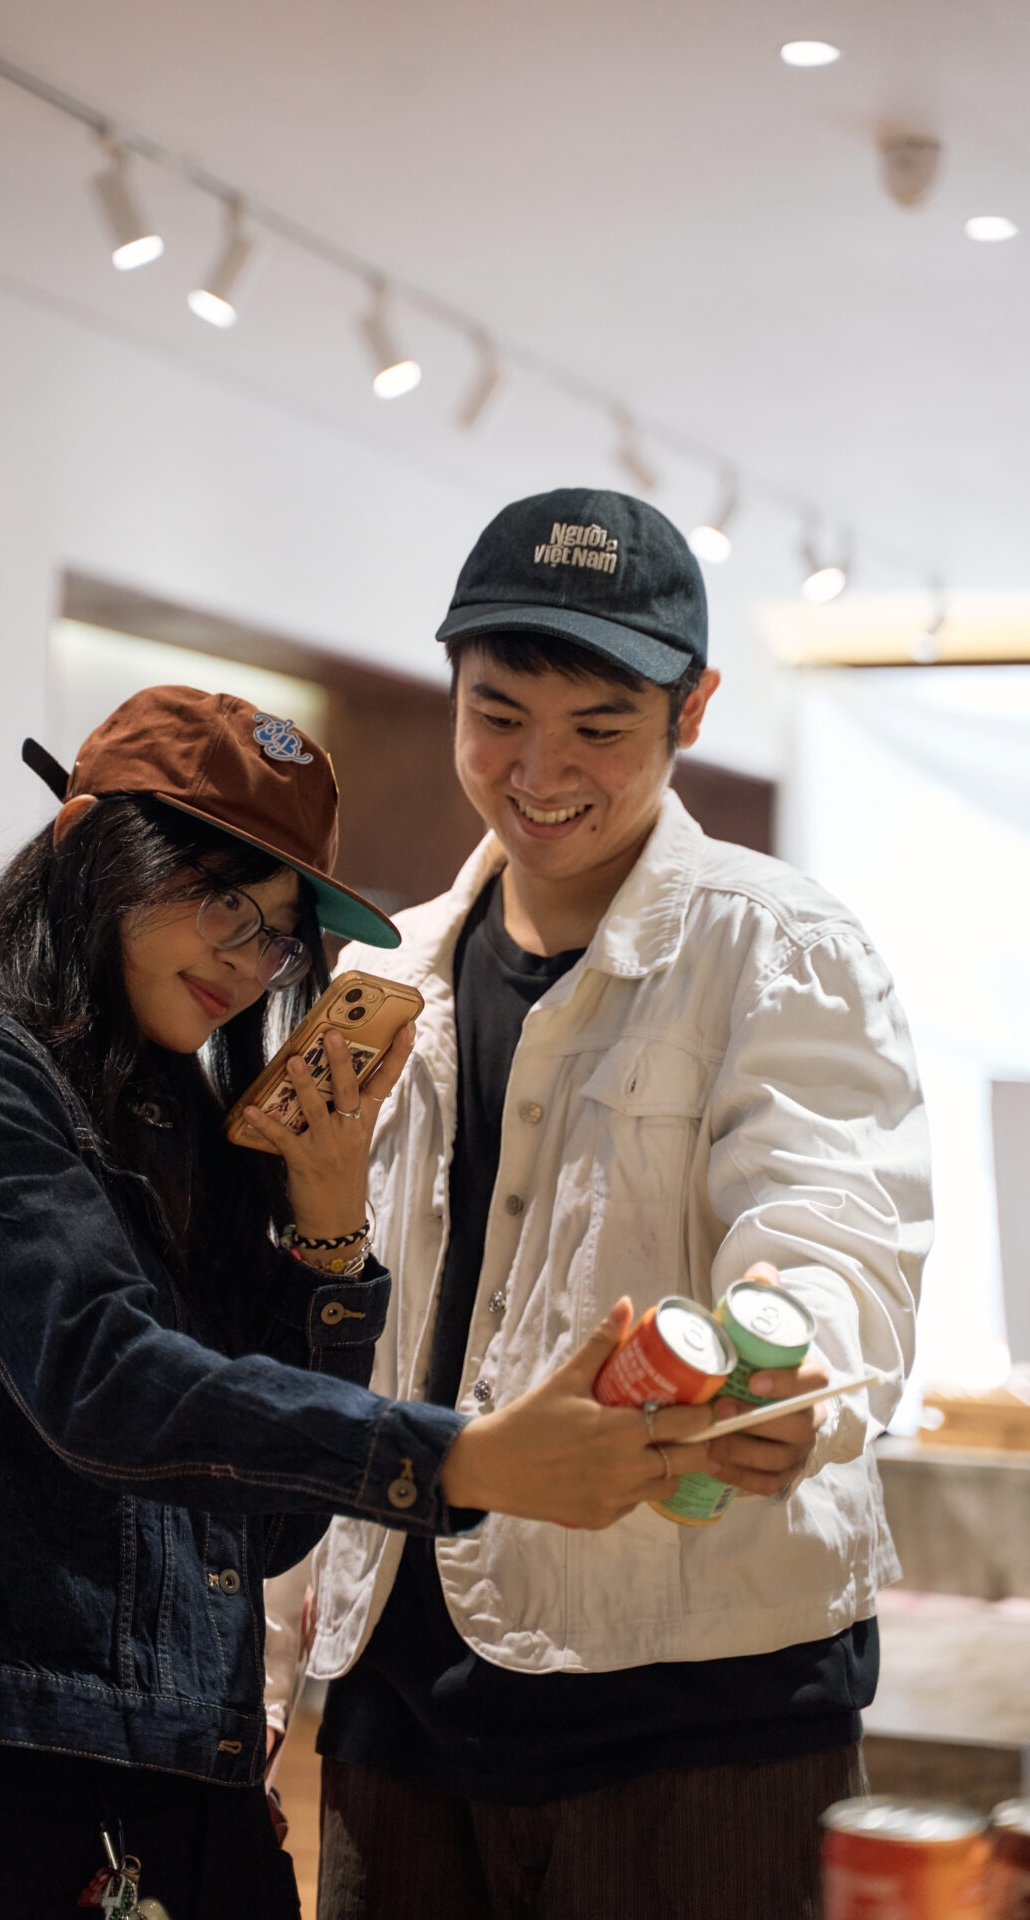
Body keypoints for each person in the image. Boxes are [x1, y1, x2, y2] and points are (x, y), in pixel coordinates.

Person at [0, 685, 716, 1920]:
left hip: (196, 1796)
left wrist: (328, 1224)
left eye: (275, 937)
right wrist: (458, 1458)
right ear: (90, 847)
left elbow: (266, 1530)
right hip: (15, 1798)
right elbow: (108, 1383)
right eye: (221, 902)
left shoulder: (188, 1139)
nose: (247, 962)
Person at [292, 491, 931, 1920]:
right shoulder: (383, 975)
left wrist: (793, 1377)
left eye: (599, 726)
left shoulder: (779, 946)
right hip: (398, 1692)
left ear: (690, 710)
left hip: (696, 1698)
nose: (539, 770)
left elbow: (835, 1234)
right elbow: (333, 1316)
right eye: (497, 715)